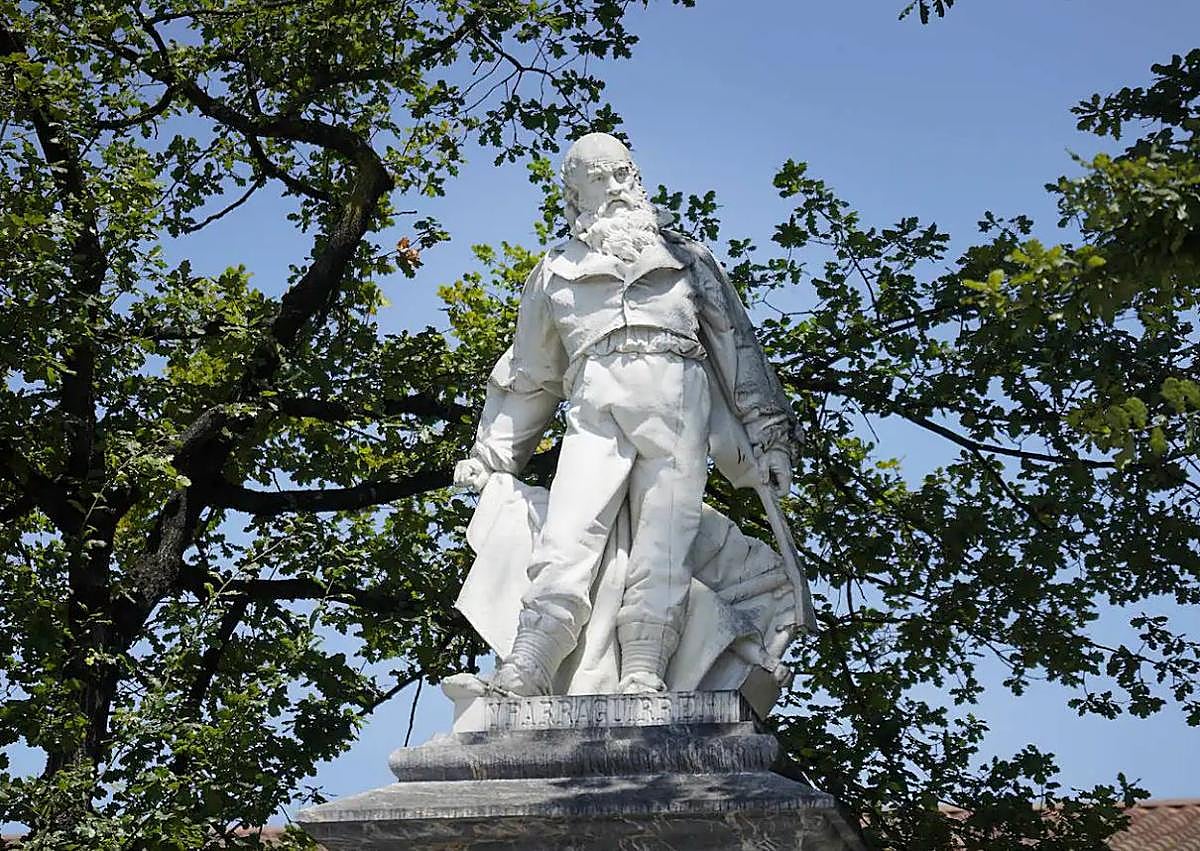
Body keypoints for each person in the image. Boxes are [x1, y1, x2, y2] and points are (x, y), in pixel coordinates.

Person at [453, 133, 803, 696]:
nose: (616, 188)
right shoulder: (553, 273)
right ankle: (530, 662)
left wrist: (771, 438)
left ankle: (643, 667)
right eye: (600, 178)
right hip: (595, 403)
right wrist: (491, 455)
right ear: (575, 192)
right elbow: (530, 375)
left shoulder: (688, 261)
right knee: (567, 535)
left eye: (623, 174)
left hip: (678, 403)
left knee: (665, 543)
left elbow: (739, 354)